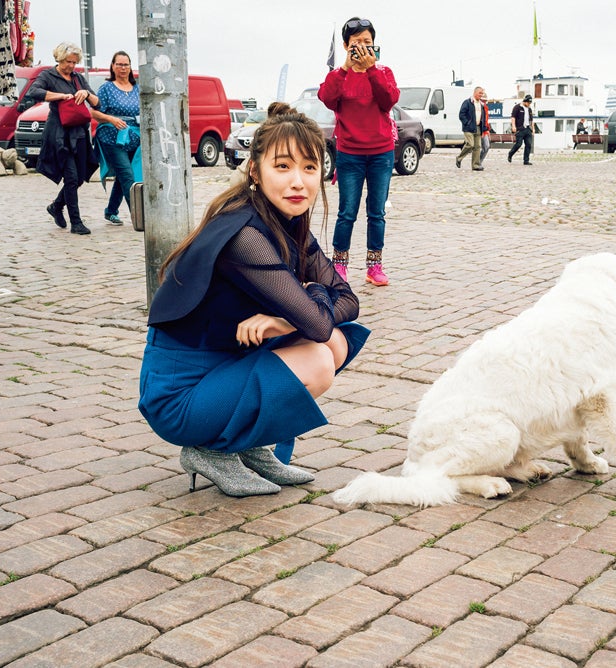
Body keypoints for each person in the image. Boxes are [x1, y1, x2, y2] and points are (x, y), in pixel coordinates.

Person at [138, 103, 369, 497]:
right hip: (181, 396)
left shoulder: (288, 222)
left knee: (335, 340)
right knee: (317, 353)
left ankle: (243, 442)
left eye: (309, 168)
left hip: (223, 372)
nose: (298, 181)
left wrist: (285, 321)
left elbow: (348, 300)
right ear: (254, 171)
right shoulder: (245, 233)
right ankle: (211, 448)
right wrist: (308, 306)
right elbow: (317, 320)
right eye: (283, 167)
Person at [318, 17, 399, 287]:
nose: (363, 48)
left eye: (367, 43)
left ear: (375, 46)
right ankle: (339, 265)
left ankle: (374, 266)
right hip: (350, 154)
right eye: (356, 44)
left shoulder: (384, 72)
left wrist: (371, 69)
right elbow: (327, 98)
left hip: (381, 153)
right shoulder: (339, 77)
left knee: (376, 212)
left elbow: (388, 100)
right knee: (347, 212)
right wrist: (344, 69)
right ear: (345, 46)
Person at [25, 42, 101, 235]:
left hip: (79, 133)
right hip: (59, 133)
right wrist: (60, 96)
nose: (71, 66)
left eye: (75, 62)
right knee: (71, 177)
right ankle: (76, 222)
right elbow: (34, 92)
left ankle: (56, 206)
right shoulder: (48, 76)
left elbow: (96, 102)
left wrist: (86, 93)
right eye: (68, 62)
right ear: (59, 59)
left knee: (81, 176)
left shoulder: (77, 78)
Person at [91, 51, 141, 227]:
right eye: (119, 64)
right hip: (112, 137)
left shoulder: (138, 88)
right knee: (128, 175)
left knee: (123, 176)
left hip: (134, 137)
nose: (123, 68)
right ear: (112, 66)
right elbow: (94, 111)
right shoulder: (106, 88)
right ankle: (140, 217)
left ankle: (111, 211)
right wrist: (111, 119)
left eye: (126, 64)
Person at [456, 87, 487, 171]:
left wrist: (483, 127)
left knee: (477, 146)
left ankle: (475, 165)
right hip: (468, 128)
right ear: (475, 92)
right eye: (480, 93)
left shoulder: (481, 104)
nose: (481, 95)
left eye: (482, 93)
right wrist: (467, 123)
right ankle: (459, 158)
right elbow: (461, 114)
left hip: (478, 128)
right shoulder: (467, 102)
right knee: (470, 144)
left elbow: (483, 117)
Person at [508, 95, 536, 165]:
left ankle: (526, 160)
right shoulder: (517, 107)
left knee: (529, 144)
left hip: (527, 129)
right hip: (520, 129)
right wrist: (513, 126)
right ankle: (510, 154)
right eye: (528, 103)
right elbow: (513, 117)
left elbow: (531, 120)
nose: (529, 104)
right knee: (518, 144)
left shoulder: (529, 109)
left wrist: (533, 129)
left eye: (530, 103)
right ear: (525, 101)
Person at [480, 92, 492, 162]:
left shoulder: (485, 108)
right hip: (479, 129)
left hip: (485, 130)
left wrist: (487, 130)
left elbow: (486, 120)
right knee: (477, 147)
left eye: (485, 101)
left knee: (486, 146)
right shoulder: (478, 107)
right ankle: (477, 162)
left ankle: (479, 161)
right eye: (483, 100)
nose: (484, 102)